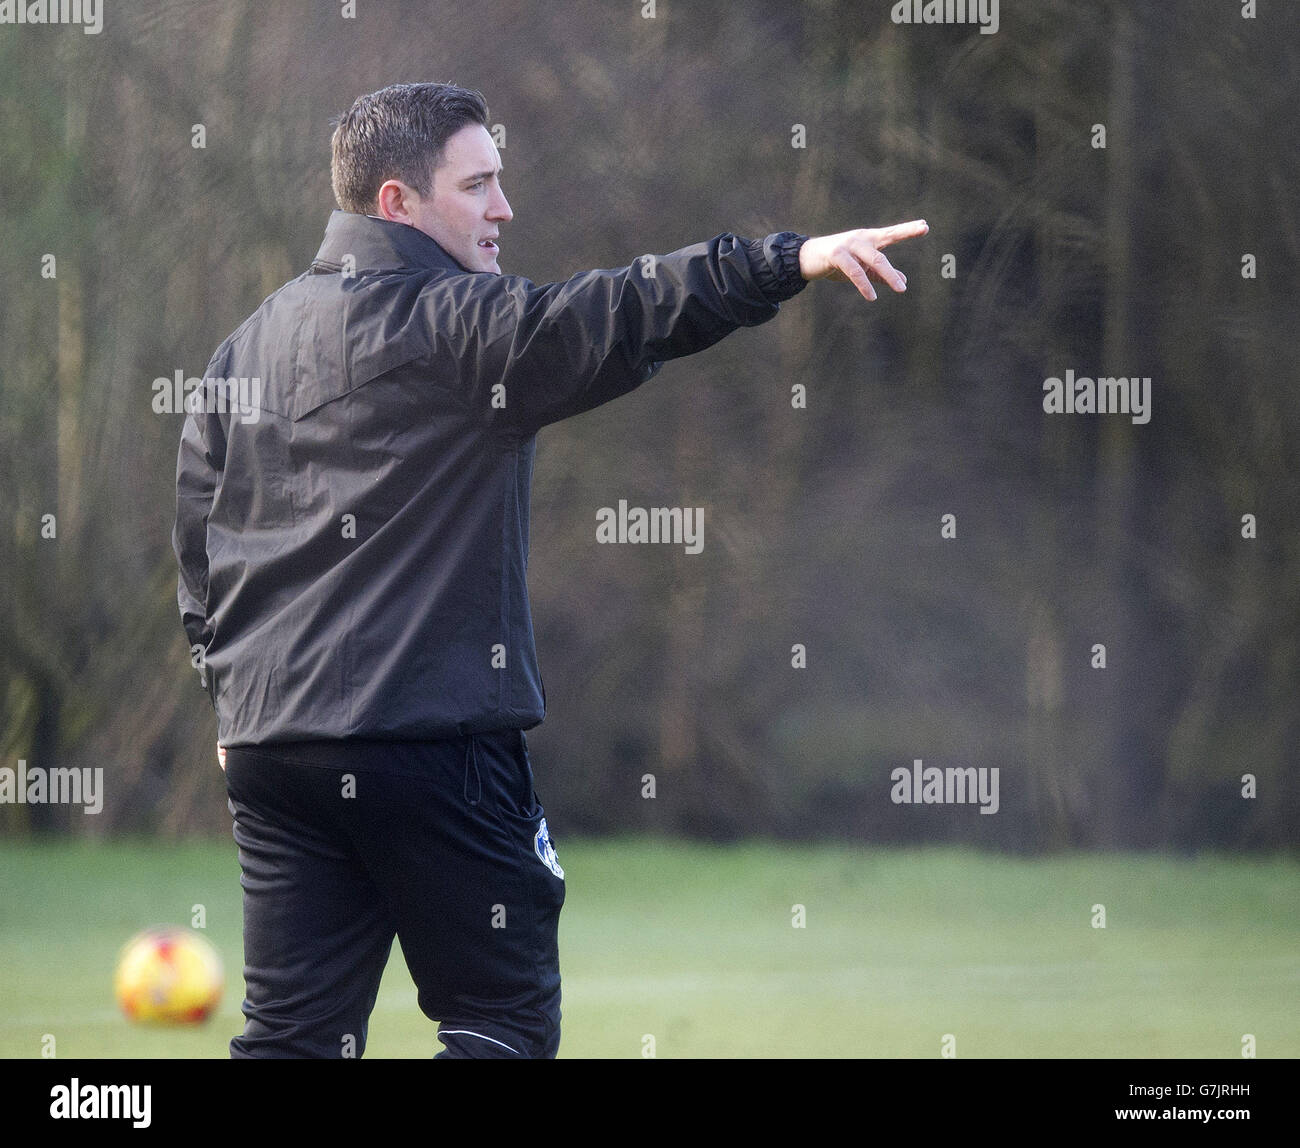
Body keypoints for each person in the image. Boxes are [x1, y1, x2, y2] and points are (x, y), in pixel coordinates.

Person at [172, 81, 926, 1059]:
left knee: (292, 1038)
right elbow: (621, 310)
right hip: (429, 740)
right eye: (477, 184)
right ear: (397, 201)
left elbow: (198, 525)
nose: (504, 208)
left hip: (274, 750)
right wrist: (787, 260)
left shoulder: (246, 346)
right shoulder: (456, 324)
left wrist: (223, 690)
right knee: (501, 1023)